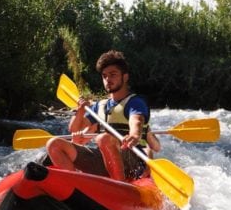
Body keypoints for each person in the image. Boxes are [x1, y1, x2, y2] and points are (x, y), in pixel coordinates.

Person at [46, 50, 157, 181]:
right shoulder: (99, 106)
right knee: (54, 144)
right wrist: (80, 110)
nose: (108, 79)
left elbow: (137, 121)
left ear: (125, 77)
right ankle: (76, 185)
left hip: (132, 159)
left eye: (113, 74)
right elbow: (74, 129)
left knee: (103, 138)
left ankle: (120, 186)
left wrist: (134, 135)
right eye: (104, 76)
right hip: (105, 159)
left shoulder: (135, 102)